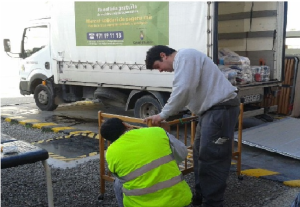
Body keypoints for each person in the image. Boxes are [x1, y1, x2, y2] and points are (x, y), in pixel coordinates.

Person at [144, 45, 240, 207]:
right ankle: (201, 196)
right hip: (211, 111)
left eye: (157, 66)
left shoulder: (185, 56)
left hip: (220, 109)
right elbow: (186, 93)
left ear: (163, 55)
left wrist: (162, 115)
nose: (160, 71)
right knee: (199, 154)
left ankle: (213, 202)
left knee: (212, 157)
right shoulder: (186, 60)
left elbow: (184, 89)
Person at [100, 117, 192, 207]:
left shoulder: (110, 153)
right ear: (126, 125)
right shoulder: (157, 132)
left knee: (118, 183)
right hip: (177, 199)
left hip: (139, 204)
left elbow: (120, 176)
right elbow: (182, 153)